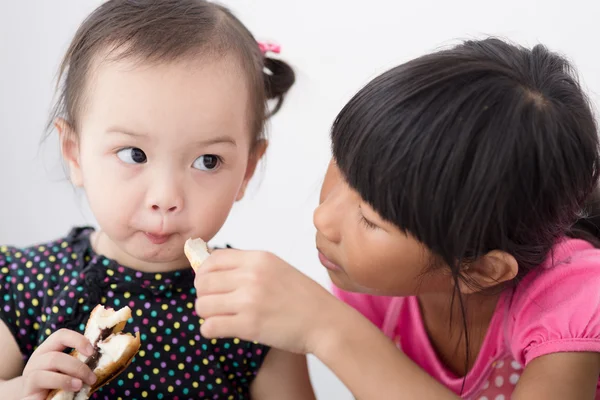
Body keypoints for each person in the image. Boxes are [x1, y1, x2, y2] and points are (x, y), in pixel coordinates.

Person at [194, 38, 600, 399]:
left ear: (479, 269)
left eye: (371, 220)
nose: (322, 218)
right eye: (341, 168)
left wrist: (328, 328)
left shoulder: (574, 304)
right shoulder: (369, 283)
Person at [0, 1, 315, 399]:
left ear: (247, 170)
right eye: (134, 154)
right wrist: (19, 391)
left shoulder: (254, 307)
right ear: (75, 153)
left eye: (207, 161)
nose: (165, 197)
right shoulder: (26, 282)